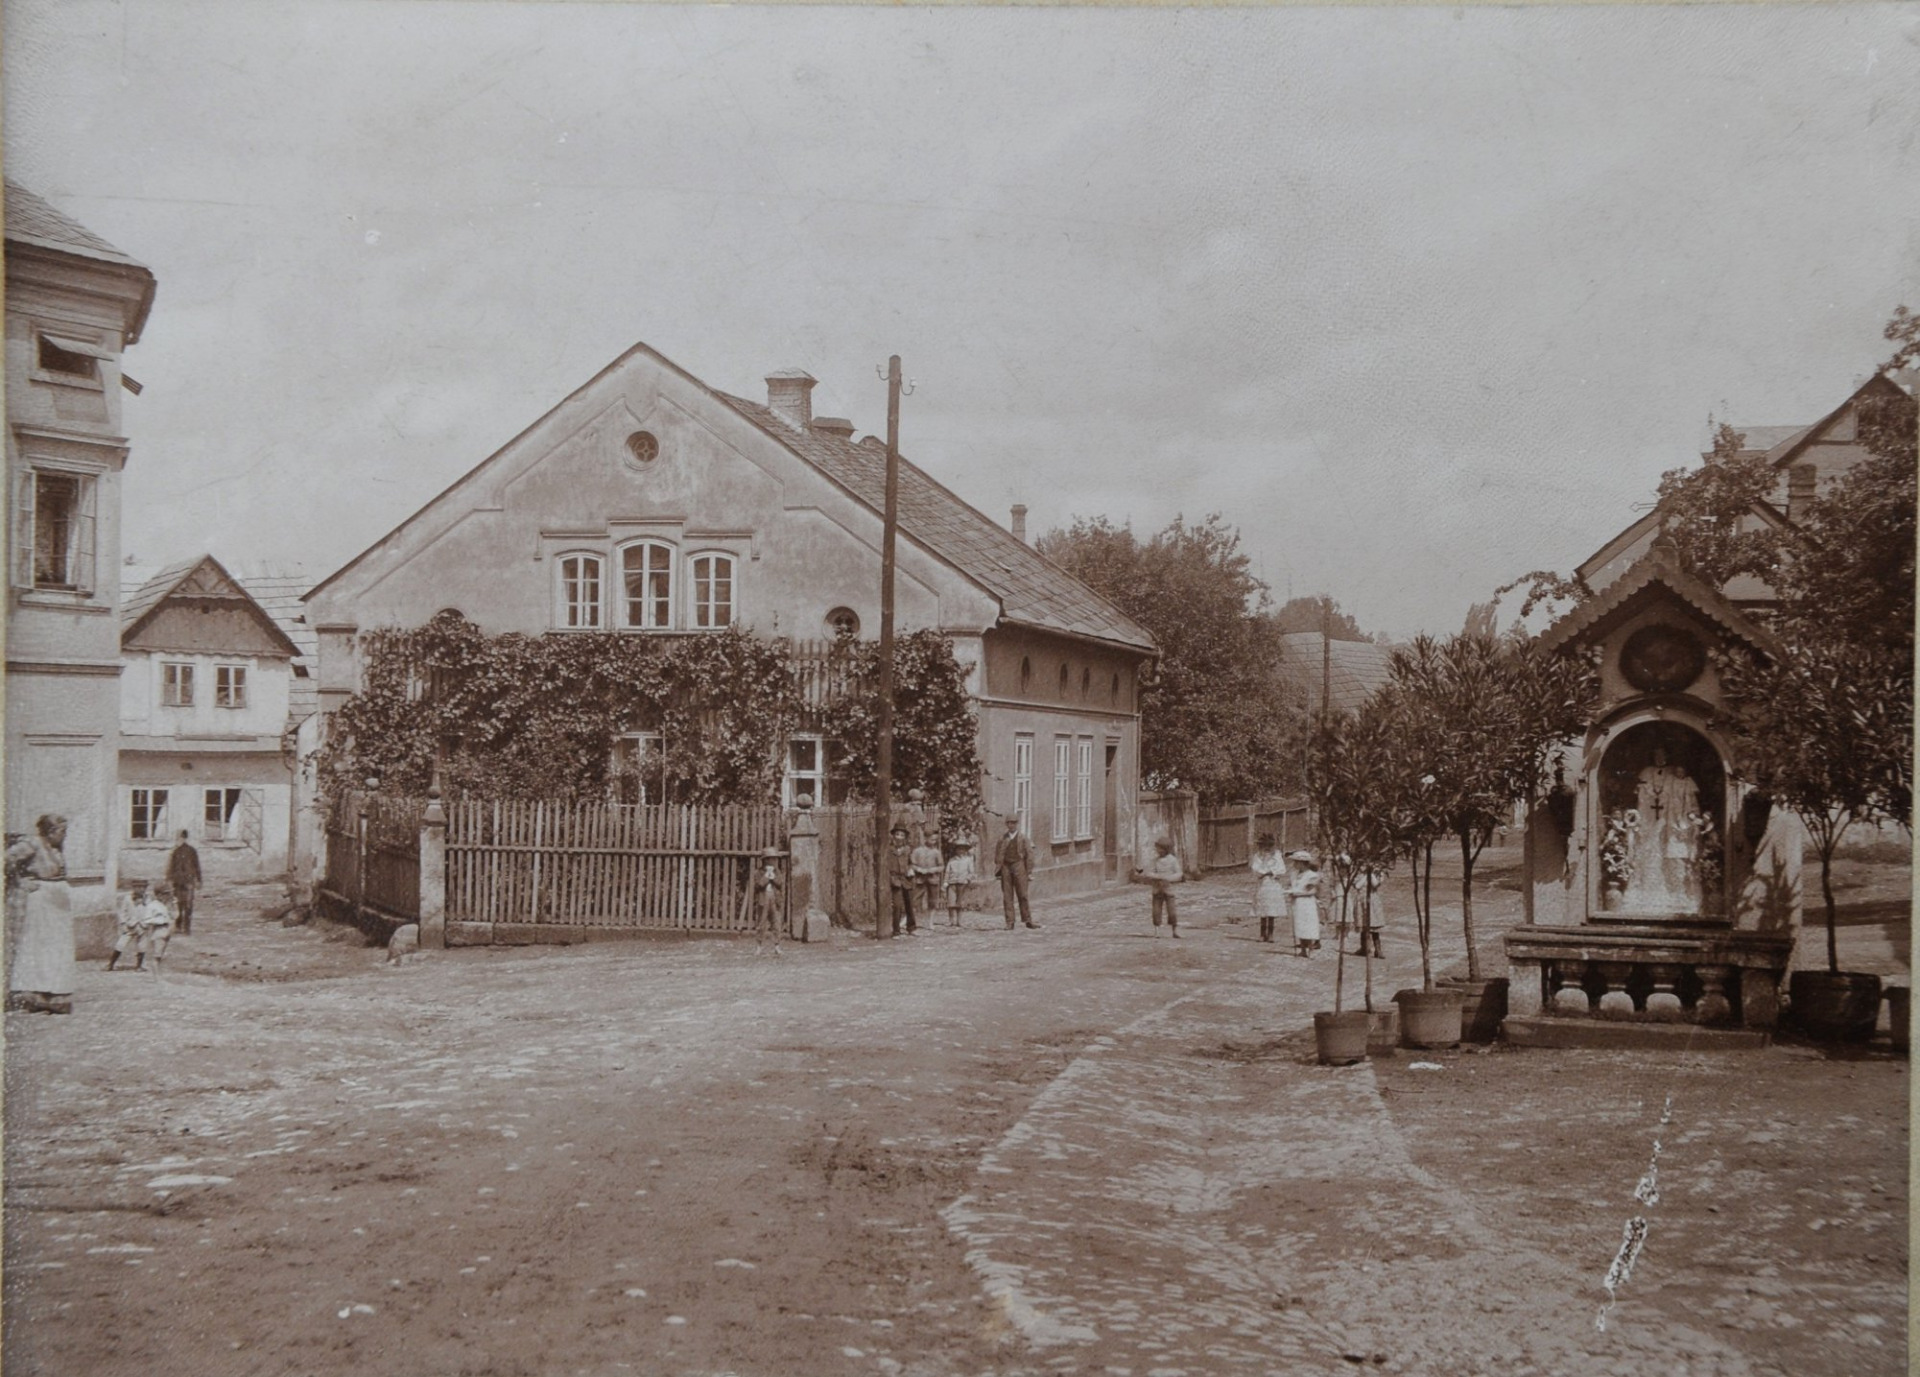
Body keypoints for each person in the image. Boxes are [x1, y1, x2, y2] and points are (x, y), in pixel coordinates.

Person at [5, 815, 77, 1014]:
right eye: (62, 832)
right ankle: (33, 994)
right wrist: (20, 882)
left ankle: (53, 991)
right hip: (41, 902)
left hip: (57, 903)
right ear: (50, 831)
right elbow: (6, 859)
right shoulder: (32, 844)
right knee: (40, 947)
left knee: (57, 949)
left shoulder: (55, 848)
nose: (65, 836)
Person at [992, 814, 1039, 931]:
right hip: (1006, 867)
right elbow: (997, 854)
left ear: (1016, 824)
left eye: (1013, 823)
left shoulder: (1023, 838)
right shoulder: (1002, 838)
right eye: (1009, 823)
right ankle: (1010, 922)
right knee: (1007, 896)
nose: (1011, 825)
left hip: (1019, 866)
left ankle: (1028, 920)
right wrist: (999, 868)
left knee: (1023, 894)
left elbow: (1030, 855)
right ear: (1006, 824)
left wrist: (1028, 871)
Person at [1135, 837, 1184, 938]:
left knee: (1172, 911)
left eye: (1159, 848)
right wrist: (1155, 876)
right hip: (1157, 889)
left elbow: (1179, 873)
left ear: (1166, 849)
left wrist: (1170, 878)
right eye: (1157, 848)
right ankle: (1157, 931)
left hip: (1169, 889)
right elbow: (1149, 872)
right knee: (1156, 911)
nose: (1157, 850)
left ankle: (1175, 930)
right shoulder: (1155, 861)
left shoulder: (1173, 860)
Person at [1249, 832, 1288, 943]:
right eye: (1263, 846)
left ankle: (1270, 933)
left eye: (1269, 846)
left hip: (1273, 884)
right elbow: (1255, 868)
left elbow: (1282, 869)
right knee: (1263, 909)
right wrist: (1263, 872)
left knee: (1272, 909)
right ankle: (1262, 933)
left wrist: (1272, 872)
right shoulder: (1257, 856)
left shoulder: (1277, 855)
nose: (1266, 849)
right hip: (1262, 884)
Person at [166, 830, 202, 936]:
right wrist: (169, 879)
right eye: (177, 838)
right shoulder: (175, 852)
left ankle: (187, 928)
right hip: (178, 882)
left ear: (184, 838)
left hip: (188, 882)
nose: (178, 840)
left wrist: (198, 880)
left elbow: (197, 866)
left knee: (188, 905)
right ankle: (178, 925)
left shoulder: (192, 851)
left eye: (180, 838)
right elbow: (171, 867)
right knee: (179, 904)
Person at [1287, 850, 1321, 957]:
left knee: (1308, 924)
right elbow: (1293, 886)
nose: (1294, 864)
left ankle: (1310, 947)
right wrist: (1290, 891)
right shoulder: (1294, 874)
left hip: (1307, 902)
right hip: (1298, 902)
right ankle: (1302, 949)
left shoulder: (1312, 875)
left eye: (1296, 862)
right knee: (1299, 923)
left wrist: (1297, 893)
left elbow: (1312, 891)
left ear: (1303, 863)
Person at [752, 846, 784, 955]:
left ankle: (777, 946)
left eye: (775, 859)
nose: (774, 861)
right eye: (771, 859)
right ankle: (759, 946)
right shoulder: (759, 872)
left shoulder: (777, 871)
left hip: (774, 899)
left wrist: (773, 877)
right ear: (765, 860)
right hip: (763, 899)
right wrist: (766, 876)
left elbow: (780, 883)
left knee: (776, 923)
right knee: (761, 923)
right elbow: (759, 884)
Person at [887, 825, 917, 936]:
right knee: (897, 905)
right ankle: (896, 930)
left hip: (907, 879)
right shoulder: (889, 850)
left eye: (902, 835)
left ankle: (911, 927)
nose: (899, 837)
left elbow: (912, 862)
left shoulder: (908, 849)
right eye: (897, 834)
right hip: (895, 879)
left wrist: (911, 869)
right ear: (893, 836)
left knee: (909, 904)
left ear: (905, 837)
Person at [1352, 865, 1386, 958]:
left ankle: (1378, 950)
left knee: (1373, 925)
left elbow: (1375, 884)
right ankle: (1364, 948)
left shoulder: (1377, 873)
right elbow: (1357, 886)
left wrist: (1371, 873)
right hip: (1361, 900)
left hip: (1372, 900)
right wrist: (1366, 875)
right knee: (1363, 924)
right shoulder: (1357, 873)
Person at [909, 833, 944, 922]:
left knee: (932, 901)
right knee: (914, 900)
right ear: (926, 838)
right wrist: (919, 869)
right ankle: (909, 920)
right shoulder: (917, 851)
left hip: (933, 879)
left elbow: (941, 866)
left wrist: (932, 869)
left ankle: (930, 921)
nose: (934, 842)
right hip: (920, 879)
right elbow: (912, 864)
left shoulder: (937, 852)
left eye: (935, 840)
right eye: (932, 839)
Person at [942, 839, 976, 928]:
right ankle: (951, 920)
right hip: (952, 883)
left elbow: (971, 872)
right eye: (958, 849)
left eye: (963, 849)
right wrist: (945, 882)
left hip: (962, 883)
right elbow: (947, 872)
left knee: (960, 903)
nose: (960, 851)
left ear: (965, 850)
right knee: (951, 903)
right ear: (955, 850)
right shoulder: (952, 860)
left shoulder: (968, 860)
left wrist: (968, 879)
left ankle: (959, 921)